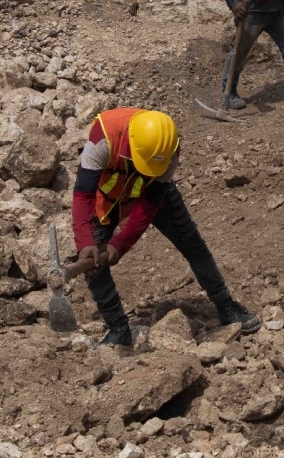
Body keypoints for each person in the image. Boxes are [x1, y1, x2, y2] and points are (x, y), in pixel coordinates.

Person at [70, 108, 260, 348]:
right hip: (106, 197)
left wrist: (121, 243)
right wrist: (86, 242)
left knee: (192, 243)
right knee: (93, 264)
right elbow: (82, 194)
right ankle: (119, 328)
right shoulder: (103, 138)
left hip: (153, 192)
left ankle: (226, 306)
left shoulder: (169, 150)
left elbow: (148, 206)